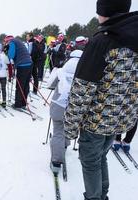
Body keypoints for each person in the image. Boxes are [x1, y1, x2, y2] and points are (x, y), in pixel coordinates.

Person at [64, 1, 138, 199]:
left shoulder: (103, 41)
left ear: (105, 12)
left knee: (90, 161)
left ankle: (95, 197)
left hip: (96, 123)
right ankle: (101, 195)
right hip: (119, 120)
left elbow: (82, 90)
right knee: (99, 157)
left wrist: (70, 128)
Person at [47, 36, 87, 173]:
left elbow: (50, 85)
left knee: (58, 130)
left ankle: (56, 162)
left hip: (58, 105)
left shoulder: (63, 69)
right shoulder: (85, 71)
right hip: (75, 108)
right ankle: (64, 144)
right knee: (67, 128)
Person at [5, 35, 32, 109]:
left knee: (20, 85)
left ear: (8, 41)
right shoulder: (19, 41)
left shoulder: (12, 42)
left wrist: (7, 53)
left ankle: (18, 104)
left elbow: (11, 55)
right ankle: (23, 103)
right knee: (26, 85)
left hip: (22, 65)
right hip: (29, 64)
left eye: (6, 42)